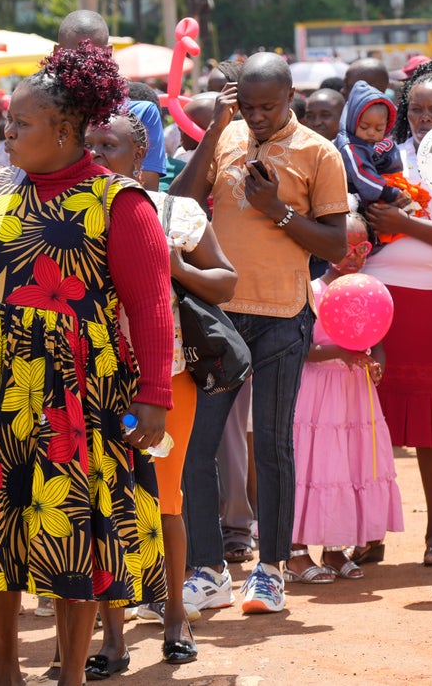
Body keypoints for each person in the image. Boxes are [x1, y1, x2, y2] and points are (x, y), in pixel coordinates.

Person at [0, 42, 174, 686]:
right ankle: (3, 674)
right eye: (7, 123)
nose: (6, 134)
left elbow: (151, 305)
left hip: (77, 392)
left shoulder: (120, 203)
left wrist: (156, 398)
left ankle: (73, 674)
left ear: (65, 129)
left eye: (19, 124)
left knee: (69, 528)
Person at [171, 52, 349, 615]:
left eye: (267, 106)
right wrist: (215, 132)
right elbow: (177, 201)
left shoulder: (319, 154)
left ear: (290, 96)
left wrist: (276, 211)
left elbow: (336, 246)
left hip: (281, 315)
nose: (257, 116)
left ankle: (269, 570)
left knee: (271, 447)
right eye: (247, 106)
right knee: (198, 451)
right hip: (219, 317)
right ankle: (207, 569)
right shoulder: (227, 137)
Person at [83, 110, 236, 669]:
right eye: (90, 143)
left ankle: (174, 616)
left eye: (111, 144)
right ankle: (113, 638)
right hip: (92, 382)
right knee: (100, 507)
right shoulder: (70, 214)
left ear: (140, 153)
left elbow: (226, 280)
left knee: (165, 503)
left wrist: (177, 267)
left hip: (163, 381)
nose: (98, 153)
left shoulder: (177, 211)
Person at [360, 59, 432, 568]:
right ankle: (369, 529)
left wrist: (404, 225)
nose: (426, 118)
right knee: (368, 418)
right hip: (379, 296)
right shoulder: (382, 158)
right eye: (418, 110)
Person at [286, 213, 402, 584]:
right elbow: (300, 348)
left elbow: (378, 341)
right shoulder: (312, 290)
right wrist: (339, 352)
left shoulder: (370, 289)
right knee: (314, 466)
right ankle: (296, 553)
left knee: (347, 468)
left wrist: (375, 365)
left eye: (362, 248)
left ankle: (335, 549)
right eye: (344, 248)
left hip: (354, 393)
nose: (353, 256)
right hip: (319, 395)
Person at [57, 11, 168, 191]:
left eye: (92, 55)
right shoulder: (46, 110)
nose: (84, 64)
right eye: (74, 55)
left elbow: (148, 190)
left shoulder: (142, 113)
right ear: (57, 53)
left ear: (108, 53)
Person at [336, 81, 407, 206]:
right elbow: (362, 174)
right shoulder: (350, 147)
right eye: (364, 127)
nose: (371, 133)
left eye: (379, 129)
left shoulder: (384, 139)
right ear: (353, 121)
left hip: (380, 186)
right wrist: (389, 193)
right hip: (356, 193)